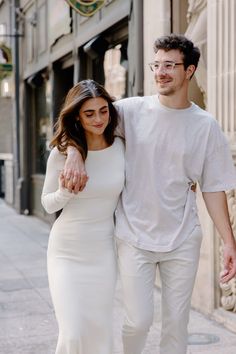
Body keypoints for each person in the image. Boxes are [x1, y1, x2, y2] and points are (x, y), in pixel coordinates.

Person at [63, 35, 236, 354]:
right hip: (132, 236)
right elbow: (83, 124)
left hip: (183, 238)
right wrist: (74, 152)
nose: (161, 71)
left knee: (176, 325)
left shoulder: (206, 126)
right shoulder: (128, 111)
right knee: (137, 322)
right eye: (157, 64)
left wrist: (228, 242)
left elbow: (213, 188)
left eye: (170, 65)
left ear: (190, 71)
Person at [41, 79, 125, 354]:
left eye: (104, 110)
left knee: (100, 331)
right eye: (89, 113)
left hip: (103, 253)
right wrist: (66, 191)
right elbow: (47, 204)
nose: (99, 118)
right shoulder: (62, 153)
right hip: (66, 252)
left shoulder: (122, 148)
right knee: (73, 332)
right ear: (77, 115)